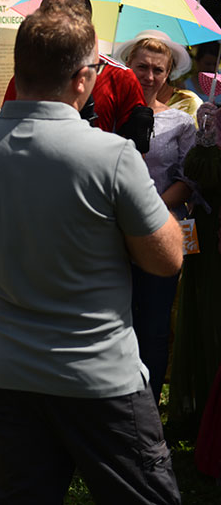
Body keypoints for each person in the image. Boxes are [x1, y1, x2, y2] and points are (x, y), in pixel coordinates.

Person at [0, 8, 183, 504]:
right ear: (83, 78)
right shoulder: (111, 154)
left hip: (7, 371)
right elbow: (166, 259)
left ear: (19, 71)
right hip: (99, 374)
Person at [116, 30, 196, 404]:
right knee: (115, 323)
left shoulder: (181, 123)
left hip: (161, 231)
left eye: (157, 70)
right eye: (141, 66)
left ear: (169, 75)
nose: (149, 76)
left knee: (154, 323)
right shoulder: (107, 115)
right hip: (111, 234)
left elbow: (188, 178)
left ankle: (145, 406)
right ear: (127, 66)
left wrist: (149, 213)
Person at [2, 0, 151, 150]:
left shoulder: (121, 78)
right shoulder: (27, 74)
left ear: (84, 21)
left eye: (56, 15)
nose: (47, 22)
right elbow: (7, 134)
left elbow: (136, 154)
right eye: (44, 14)